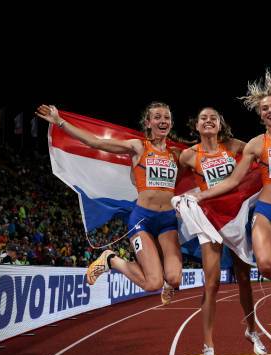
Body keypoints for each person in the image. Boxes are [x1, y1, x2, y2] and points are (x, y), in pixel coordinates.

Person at [35, 102, 182, 304]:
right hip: (143, 220)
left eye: (166, 117)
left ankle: (168, 283)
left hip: (168, 221)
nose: (162, 121)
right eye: (157, 117)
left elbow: (206, 158)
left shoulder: (177, 154)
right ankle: (111, 260)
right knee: (152, 284)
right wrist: (60, 122)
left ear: (171, 123)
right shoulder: (138, 146)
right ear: (148, 123)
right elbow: (96, 143)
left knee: (174, 278)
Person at [193, 70, 271, 309]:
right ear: (260, 116)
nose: (269, 110)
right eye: (264, 108)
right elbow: (234, 181)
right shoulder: (256, 145)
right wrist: (202, 194)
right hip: (266, 212)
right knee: (266, 266)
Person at [179, 107, 266, 355]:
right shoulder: (188, 155)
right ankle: (208, 346)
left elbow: (263, 153)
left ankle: (251, 330)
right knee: (212, 283)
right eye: (203, 118)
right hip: (209, 218)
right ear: (196, 125)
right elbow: (172, 180)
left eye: (213, 118)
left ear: (220, 124)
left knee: (243, 279)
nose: (208, 121)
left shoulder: (235, 146)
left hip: (236, 216)